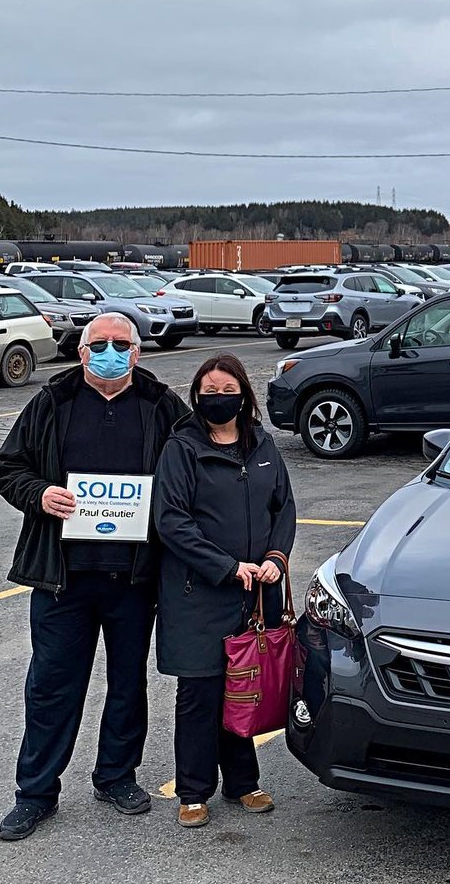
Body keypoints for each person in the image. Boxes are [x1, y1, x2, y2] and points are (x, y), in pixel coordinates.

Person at [0, 313, 189, 842]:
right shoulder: (52, 402)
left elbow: (197, 464)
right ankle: (35, 793)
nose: (109, 352)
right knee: (52, 686)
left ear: (137, 352)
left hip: (134, 579)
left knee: (128, 683)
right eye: (98, 344)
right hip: (63, 579)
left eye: (120, 343)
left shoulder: (162, 405)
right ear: (81, 352)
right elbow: (9, 466)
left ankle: (116, 776)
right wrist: (39, 495)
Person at [153, 353, 296, 829]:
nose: (219, 399)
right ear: (196, 397)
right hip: (198, 593)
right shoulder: (182, 448)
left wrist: (276, 557)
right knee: (200, 692)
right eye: (209, 392)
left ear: (244, 395)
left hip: (255, 593)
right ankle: (193, 791)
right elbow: (171, 521)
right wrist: (227, 567)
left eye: (227, 391)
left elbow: (284, 508)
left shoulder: (263, 444)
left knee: (244, 687)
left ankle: (242, 783)